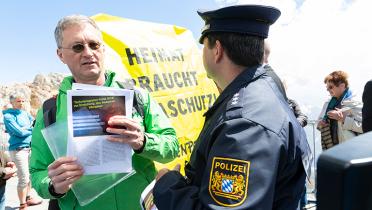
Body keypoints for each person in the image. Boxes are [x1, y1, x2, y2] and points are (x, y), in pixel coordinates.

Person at [153, 5, 312, 210]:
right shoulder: (264, 86)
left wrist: (167, 186)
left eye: (204, 46)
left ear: (217, 50)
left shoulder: (244, 125)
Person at [29, 15, 179, 210]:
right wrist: (53, 185)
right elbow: (37, 172)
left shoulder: (137, 96)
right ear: (60, 55)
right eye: (77, 47)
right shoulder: (51, 110)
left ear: (103, 49)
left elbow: (172, 146)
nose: (88, 52)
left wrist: (143, 142)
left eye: (94, 44)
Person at [2, 94, 43, 209]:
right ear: (12, 102)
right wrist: (29, 128)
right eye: (18, 101)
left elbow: (36, 125)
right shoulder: (8, 116)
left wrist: (27, 129)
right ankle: (22, 205)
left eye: (23, 101)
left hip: (30, 148)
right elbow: (19, 132)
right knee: (24, 177)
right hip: (18, 150)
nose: (21, 103)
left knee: (29, 175)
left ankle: (28, 198)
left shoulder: (25, 113)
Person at [317, 71, 363, 150]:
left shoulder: (355, 103)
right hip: (332, 150)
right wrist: (321, 123)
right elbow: (319, 124)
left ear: (342, 86)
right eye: (327, 88)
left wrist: (344, 119)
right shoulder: (328, 103)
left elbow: (365, 127)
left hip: (352, 151)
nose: (328, 90)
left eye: (331, 87)